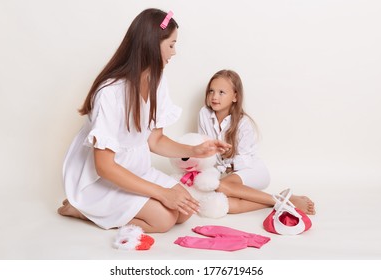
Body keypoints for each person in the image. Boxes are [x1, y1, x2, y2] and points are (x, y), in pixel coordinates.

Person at [57, 9, 231, 233]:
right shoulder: (111, 92)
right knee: (163, 220)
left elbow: (155, 141)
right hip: (104, 179)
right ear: (151, 44)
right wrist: (161, 193)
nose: (174, 52)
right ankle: (84, 209)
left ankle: (115, 207)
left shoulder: (157, 82)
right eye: (171, 44)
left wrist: (196, 150)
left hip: (137, 171)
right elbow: (104, 167)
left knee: (185, 210)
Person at [198, 69, 316, 215]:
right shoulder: (204, 113)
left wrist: (221, 171)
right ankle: (281, 200)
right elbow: (205, 148)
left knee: (220, 187)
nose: (214, 96)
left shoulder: (243, 123)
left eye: (221, 92)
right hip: (228, 175)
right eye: (211, 91)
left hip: (251, 170)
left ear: (235, 96)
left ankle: (283, 202)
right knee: (224, 205)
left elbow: (243, 162)